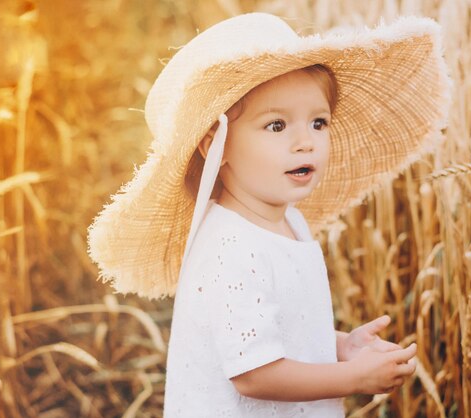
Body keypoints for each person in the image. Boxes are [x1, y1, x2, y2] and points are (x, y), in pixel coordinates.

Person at [88, 12, 451, 418]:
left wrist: (341, 347)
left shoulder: (287, 221)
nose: (305, 142)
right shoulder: (230, 248)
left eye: (318, 122)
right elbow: (254, 375)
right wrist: (354, 379)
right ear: (216, 147)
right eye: (276, 125)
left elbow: (276, 326)